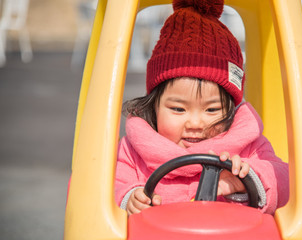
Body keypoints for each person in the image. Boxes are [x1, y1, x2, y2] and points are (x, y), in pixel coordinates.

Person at [115, 0, 289, 216]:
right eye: (179, 109)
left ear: (231, 110)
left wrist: (248, 179)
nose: (196, 124)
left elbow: (285, 179)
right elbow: (110, 184)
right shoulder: (134, 149)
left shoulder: (248, 147)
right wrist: (129, 197)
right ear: (154, 106)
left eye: (212, 110)